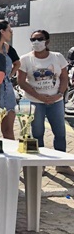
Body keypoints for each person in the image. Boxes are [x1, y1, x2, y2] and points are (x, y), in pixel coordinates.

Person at [18, 30, 71, 170]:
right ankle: (38, 165)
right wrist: (39, 96)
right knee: (37, 133)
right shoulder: (25, 59)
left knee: (60, 132)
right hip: (33, 101)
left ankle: (62, 164)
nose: (36, 42)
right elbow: (21, 82)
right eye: (32, 39)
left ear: (47, 41)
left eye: (39, 39)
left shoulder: (57, 57)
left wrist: (59, 94)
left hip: (56, 101)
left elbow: (64, 78)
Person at [0, 20, 17, 140]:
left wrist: (9, 75)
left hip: (7, 89)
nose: (11, 33)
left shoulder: (8, 48)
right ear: (2, 31)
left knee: (8, 129)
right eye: (9, 30)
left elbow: (17, 63)